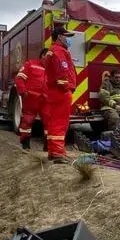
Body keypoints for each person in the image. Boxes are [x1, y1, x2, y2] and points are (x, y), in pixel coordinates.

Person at [43, 25, 77, 164]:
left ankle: (54, 151)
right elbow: (62, 74)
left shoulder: (54, 51)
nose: (69, 39)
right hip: (60, 92)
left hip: (55, 92)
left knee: (54, 123)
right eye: (66, 36)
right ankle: (57, 153)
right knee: (60, 123)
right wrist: (67, 88)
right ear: (59, 37)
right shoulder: (59, 52)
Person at [15, 55, 47, 150]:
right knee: (27, 121)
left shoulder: (51, 68)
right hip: (31, 98)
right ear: (42, 56)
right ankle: (25, 143)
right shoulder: (30, 64)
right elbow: (19, 78)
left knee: (49, 122)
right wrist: (23, 92)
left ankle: (47, 146)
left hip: (46, 100)